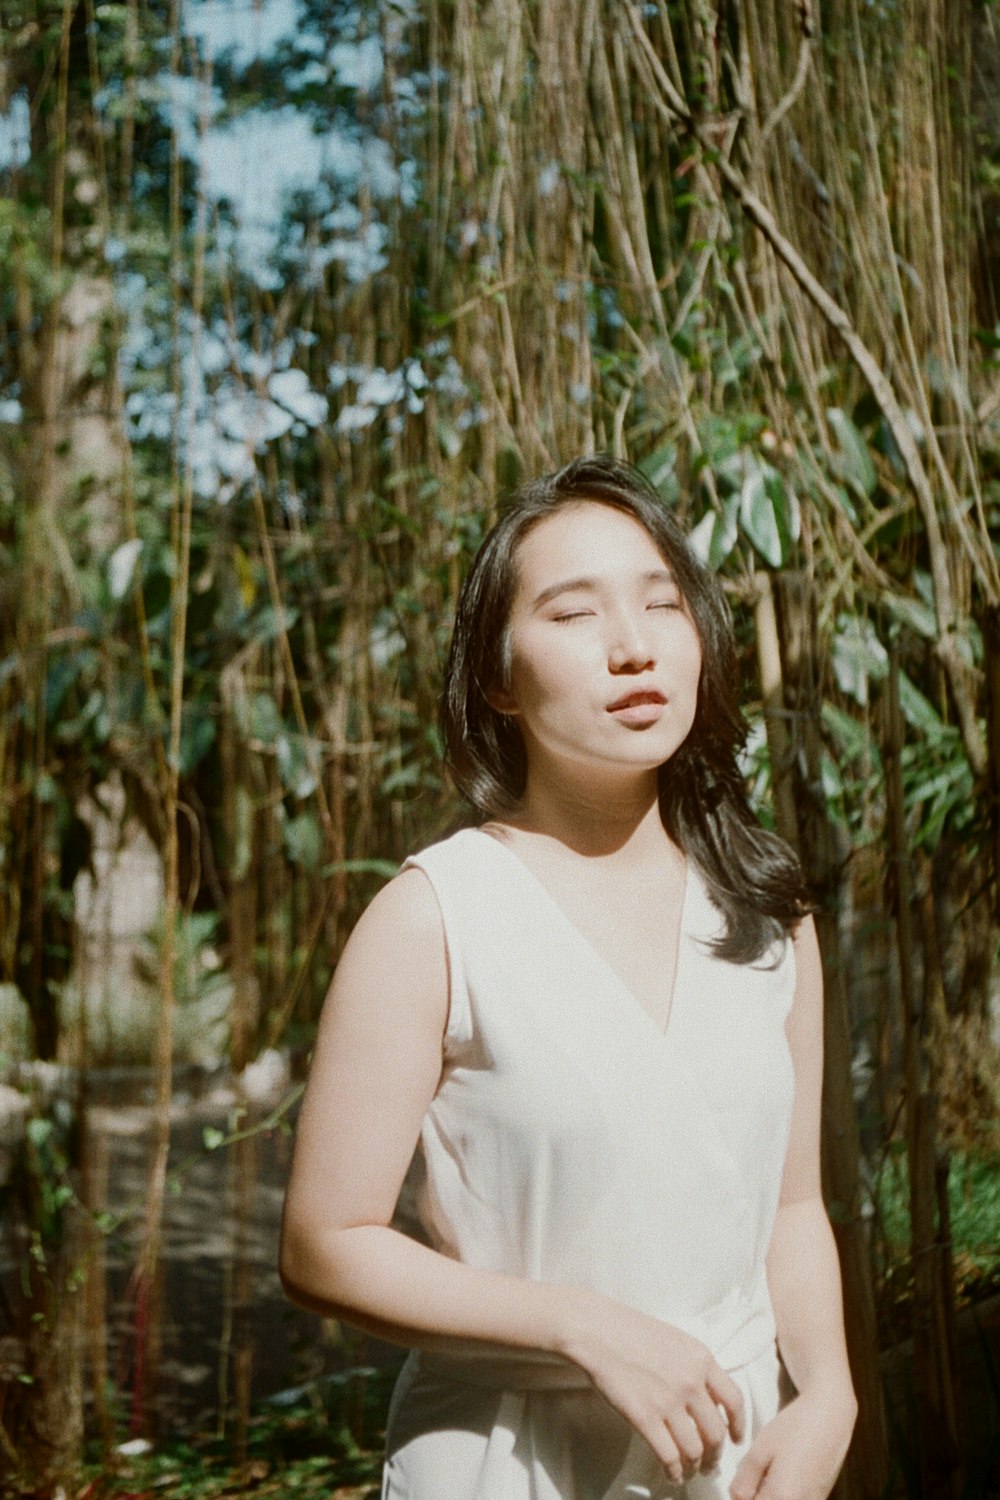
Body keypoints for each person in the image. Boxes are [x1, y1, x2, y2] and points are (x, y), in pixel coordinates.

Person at [280, 456, 857, 1500]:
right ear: (498, 676)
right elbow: (325, 1244)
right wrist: (579, 1327)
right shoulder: (435, 916)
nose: (633, 647)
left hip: (736, 1461)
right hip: (510, 1461)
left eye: (660, 603)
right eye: (573, 612)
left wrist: (826, 1394)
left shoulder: (770, 915)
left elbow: (788, 1208)